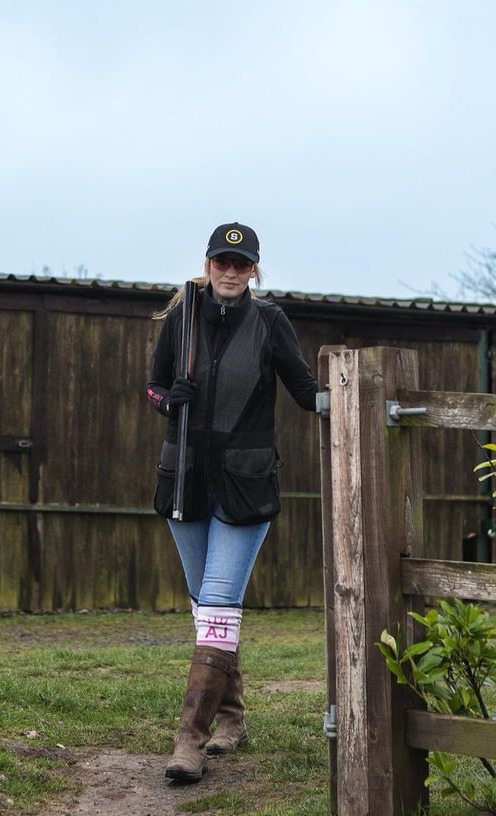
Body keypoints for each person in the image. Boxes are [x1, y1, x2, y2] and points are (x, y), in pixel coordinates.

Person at [146, 222, 318, 782]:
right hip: (185, 480)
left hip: (245, 484)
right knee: (206, 609)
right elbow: (153, 387)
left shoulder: (270, 322)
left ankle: (188, 743)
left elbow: (302, 387)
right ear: (208, 262)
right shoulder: (182, 319)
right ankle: (233, 719)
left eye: (241, 265)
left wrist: (348, 399)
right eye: (222, 261)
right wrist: (168, 400)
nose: (230, 271)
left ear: (254, 270)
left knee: (218, 603)